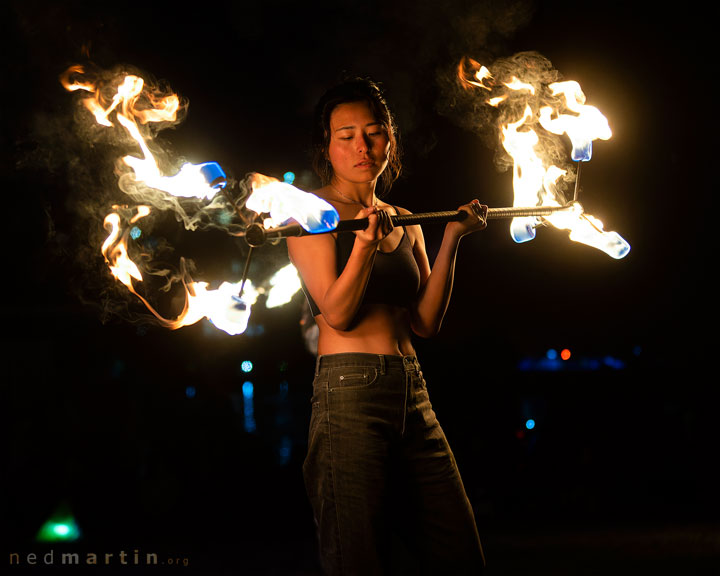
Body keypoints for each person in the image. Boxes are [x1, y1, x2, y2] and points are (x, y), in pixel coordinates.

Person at [287, 77, 487, 575]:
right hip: (349, 390)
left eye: (373, 133)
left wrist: (453, 238)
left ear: (389, 141)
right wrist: (364, 246)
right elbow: (337, 313)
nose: (362, 146)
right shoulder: (311, 216)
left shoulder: (405, 218)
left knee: (458, 553)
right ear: (327, 147)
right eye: (346, 134)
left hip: (412, 389)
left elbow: (424, 322)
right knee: (360, 558)